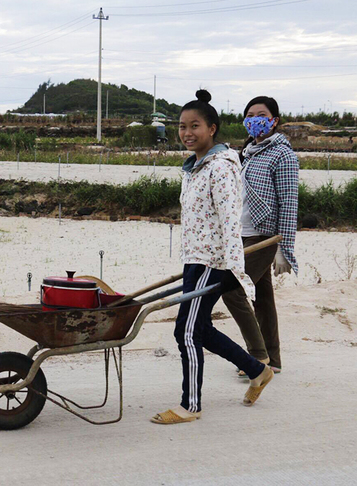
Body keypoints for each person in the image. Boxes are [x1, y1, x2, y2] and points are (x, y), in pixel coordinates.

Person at [151, 90, 274, 425]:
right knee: (199, 328)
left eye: (195, 126)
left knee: (186, 332)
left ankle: (190, 405)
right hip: (195, 258)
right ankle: (257, 370)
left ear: (212, 129)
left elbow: (229, 220)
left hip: (212, 262)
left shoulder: (220, 168)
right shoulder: (193, 168)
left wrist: (234, 268)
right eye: (182, 127)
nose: (187, 133)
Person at [222, 96, 299, 375]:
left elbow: (289, 202)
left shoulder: (283, 154)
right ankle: (274, 358)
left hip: (264, 237)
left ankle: (258, 357)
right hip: (242, 234)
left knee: (232, 290)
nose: (255, 120)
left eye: (262, 115)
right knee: (262, 297)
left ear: (274, 120)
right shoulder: (248, 152)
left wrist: (283, 248)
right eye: (250, 115)